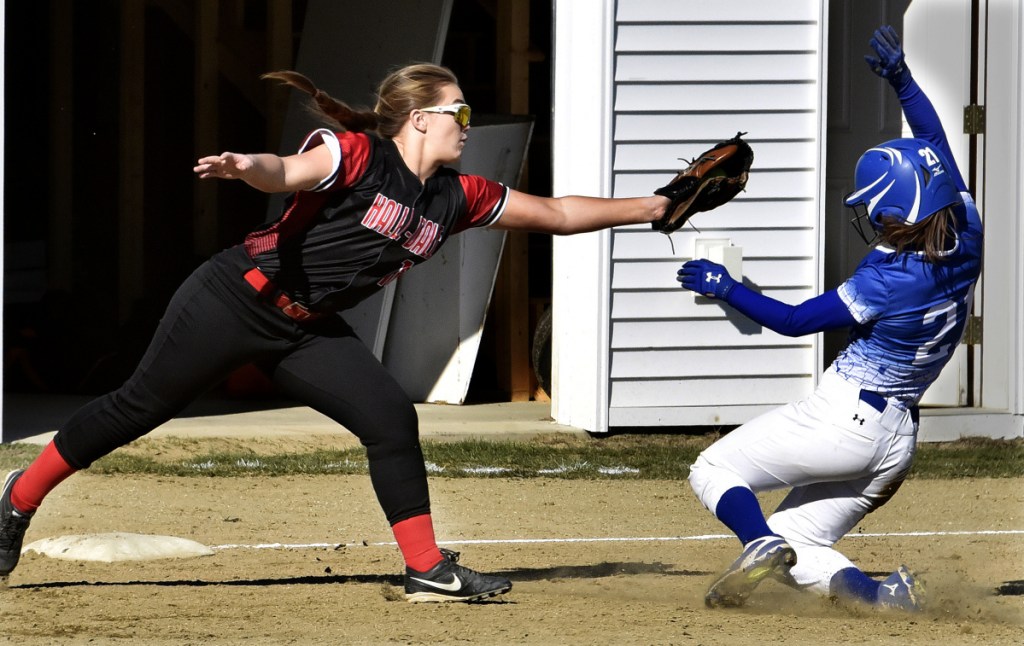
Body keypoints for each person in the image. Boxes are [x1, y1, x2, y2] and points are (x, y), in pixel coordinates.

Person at [0, 63, 671, 601]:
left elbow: (554, 212)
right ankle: (17, 503)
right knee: (135, 409)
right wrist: (244, 165)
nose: (468, 123)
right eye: (458, 112)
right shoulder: (354, 155)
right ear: (419, 119)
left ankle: (427, 568)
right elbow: (285, 171)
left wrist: (652, 206)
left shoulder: (456, 196)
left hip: (309, 330)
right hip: (236, 299)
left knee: (388, 418)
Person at [676, 25, 981, 612]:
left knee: (714, 468)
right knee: (802, 543)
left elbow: (792, 321)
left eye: (875, 208)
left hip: (842, 420)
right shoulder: (967, 229)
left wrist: (726, 286)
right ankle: (881, 596)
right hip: (897, 441)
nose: (871, 217)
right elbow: (936, 148)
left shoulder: (886, 277)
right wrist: (902, 81)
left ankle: (756, 539)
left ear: (897, 209)